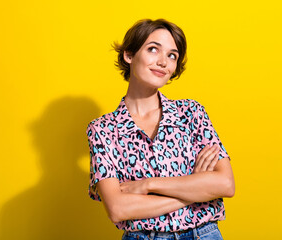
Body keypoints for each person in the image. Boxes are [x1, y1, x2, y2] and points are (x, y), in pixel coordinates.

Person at [86, 18, 235, 240]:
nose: (163, 62)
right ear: (129, 55)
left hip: (203, 235)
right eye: (153, 49)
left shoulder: (191, 113)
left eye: (172, 55)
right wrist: (194, 191)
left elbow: (225, 184)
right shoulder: (103, 130)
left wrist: (147, 185)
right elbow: (118, 209)